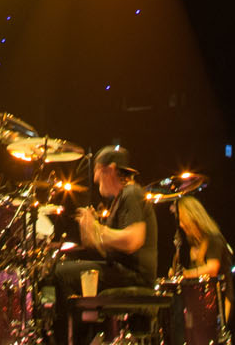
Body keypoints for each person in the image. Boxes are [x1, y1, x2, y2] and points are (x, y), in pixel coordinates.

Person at [51, 145, 158, 342]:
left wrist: (97, 229)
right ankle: (84, 335)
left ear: (110, 169)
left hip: (134, 275)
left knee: (60, 274)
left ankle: (73, 339)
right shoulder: (121, 198)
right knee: (64, 270)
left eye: (97, 172)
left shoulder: (131, 193)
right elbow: (103, 245)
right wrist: (90, 230)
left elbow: (133, 240)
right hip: (123, 270)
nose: (95, 179)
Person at [172, 195, 234, 340]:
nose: (181, 225)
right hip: (198, 305)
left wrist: (186, 274)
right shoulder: (193, 244)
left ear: (193, 218)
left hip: (217, 302)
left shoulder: (214, 239)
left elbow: (212, 269)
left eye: (183, 220)